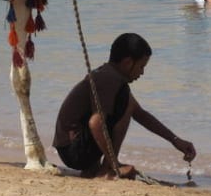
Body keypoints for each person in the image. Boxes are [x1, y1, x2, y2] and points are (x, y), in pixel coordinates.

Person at [52, 32, 197, 179]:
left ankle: (96, 168)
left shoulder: (108, 75)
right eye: (141, 66)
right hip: (74, 150)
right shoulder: (112, 80)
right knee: (126, 106)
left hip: (68, 147)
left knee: (126, 103)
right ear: (128, 63)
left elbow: (141, 114)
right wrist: (115, 164)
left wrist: (175, 140)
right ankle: (108, 169)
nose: (142, 73)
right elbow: (95, 123)